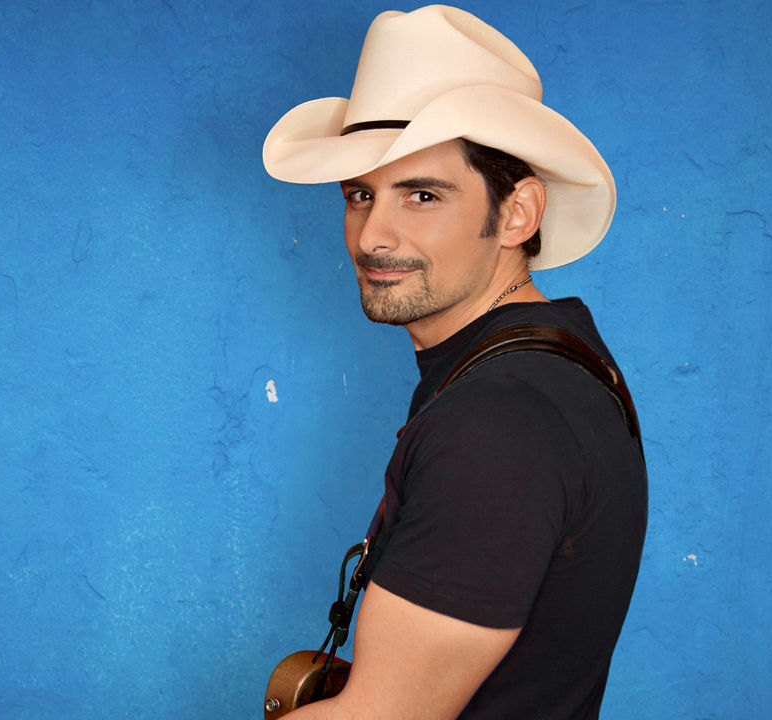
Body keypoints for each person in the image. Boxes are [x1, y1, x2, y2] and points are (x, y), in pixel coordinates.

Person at [261, 6, 647, 719]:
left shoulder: (500, 422)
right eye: (359, 195)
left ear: (517, 215)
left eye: (423, 195)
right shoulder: (554, 359)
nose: (373, 235)